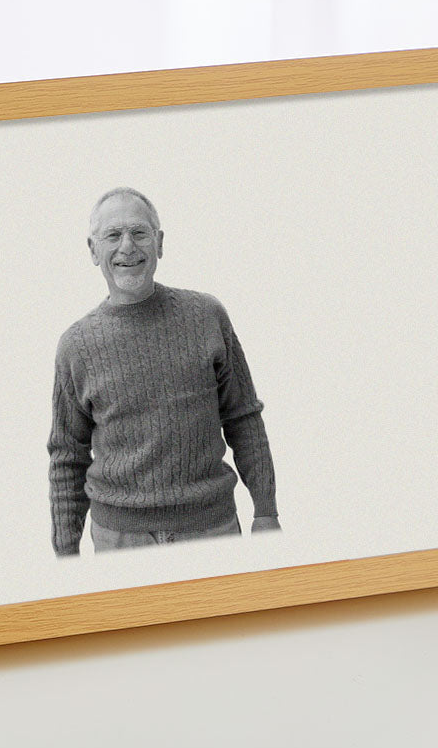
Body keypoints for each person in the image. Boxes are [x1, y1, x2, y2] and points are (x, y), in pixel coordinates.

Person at [47, 187, 280, 555]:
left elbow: (243, 417)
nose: (127, 247)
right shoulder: (76, 346)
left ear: (159, 243)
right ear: (93, 250)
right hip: (119, 541)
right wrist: (66, 552)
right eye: (113, 235)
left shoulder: (207, 316)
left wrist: (265, 511)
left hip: (211, 529)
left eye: (139, 233)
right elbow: (67, 456)